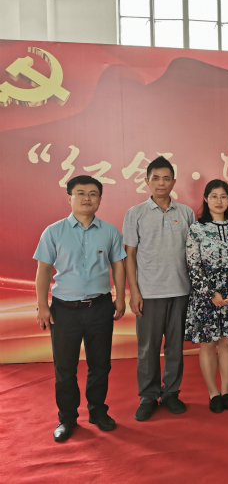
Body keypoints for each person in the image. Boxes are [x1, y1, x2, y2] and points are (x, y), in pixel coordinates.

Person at [34, 175, 126, 442]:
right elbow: (43, 270)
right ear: (69, 198)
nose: (87, 198)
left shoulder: (110, 231)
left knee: (100, 365)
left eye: (93, 193)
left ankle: (97, 411)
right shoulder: (53, 231)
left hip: (100, 307)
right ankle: (67, 418)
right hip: (64, 310)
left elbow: (118, 266)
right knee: (65, 368)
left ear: (100, 199)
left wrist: (120, 298)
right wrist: (42, 306)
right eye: (81, 193)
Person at [123, 156, 195, 421]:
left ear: (174, 182)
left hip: (181, 291)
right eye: (156, 178)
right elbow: (129, 255)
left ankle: (171, 393)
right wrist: (134, 292)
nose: (161, 183)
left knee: (175, 347)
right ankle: (148, 396)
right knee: (148, 348)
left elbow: (194, 253)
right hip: (149, 293)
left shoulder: (186, 213)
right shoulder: (135, 213)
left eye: (166, 178)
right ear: (147, 181)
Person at [185, 180, 228, 412]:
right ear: (206, 199)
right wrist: (209, 293)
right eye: (214, 196)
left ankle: (225, 390)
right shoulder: (197, 228)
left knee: (226, 342)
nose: (219, 201)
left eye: (223, 196)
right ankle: (213, 393)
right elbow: (193, 265)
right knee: (208, 343)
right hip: (206, 295)